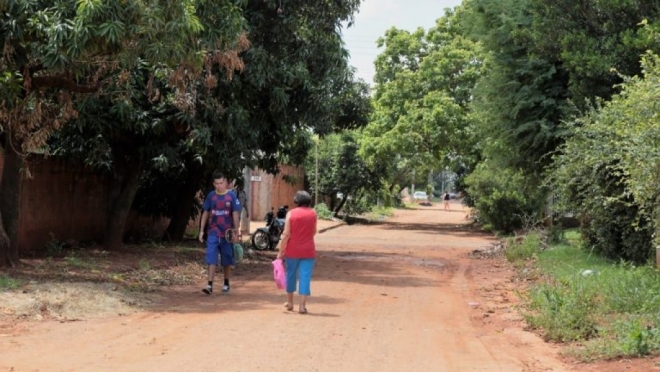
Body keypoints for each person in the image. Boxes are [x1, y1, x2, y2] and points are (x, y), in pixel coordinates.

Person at [199, 171, 242, 295]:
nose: (219, 185)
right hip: (213, 232)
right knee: (211, 257)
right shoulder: (211, 196)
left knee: (227, 259)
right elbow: (206, 212)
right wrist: (201, 231)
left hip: (227, 233)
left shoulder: (231, 197)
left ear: (226, 182)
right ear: (214, 184)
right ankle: (209, 285)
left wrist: (236, 231)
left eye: (221, 183)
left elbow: (235, 214)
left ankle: (226, 283)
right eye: (217, 183)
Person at [276, 191, 317, 314]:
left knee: (291, 275)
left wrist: (280, 251)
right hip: (308, 251)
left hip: (292, 250)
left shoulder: (291, 214)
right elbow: (314, 231)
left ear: (296, 201)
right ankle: (302, 306)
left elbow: (286, 234)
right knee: (305, 277)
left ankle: (290, 303)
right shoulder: (313, 213)